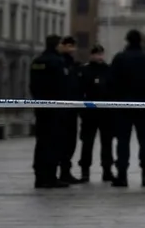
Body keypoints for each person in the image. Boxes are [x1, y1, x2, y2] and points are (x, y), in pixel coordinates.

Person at [108, 29, 145, 188]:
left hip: (123, 106)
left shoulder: (120, 58)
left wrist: (115, 101)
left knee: (122, 142)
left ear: (127, 41)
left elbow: (111, 82)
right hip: (144, 105)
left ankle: (122, 176)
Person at [29, 34, 71, 189]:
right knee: (54, 142)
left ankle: (39, 176)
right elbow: (63, 86)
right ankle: (51, 176)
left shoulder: (37, 61)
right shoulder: (58, 62)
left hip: (41, 107)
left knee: (41, 142)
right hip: (56, 109)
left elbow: (33, 85)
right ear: (56, 45)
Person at [78, 44, 115, 183]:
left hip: (106, 113)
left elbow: (113, 90)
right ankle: (85, 171)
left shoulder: (108, 70)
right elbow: (80, 90)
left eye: (101, 54)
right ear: (91, 55)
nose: (99, 57)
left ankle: (107, 170)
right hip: (89, 113)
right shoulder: (85, 70)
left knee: (107, 143)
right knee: (87, 142)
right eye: (96, 54)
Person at [57, 36, 84, 184]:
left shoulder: (74, 65)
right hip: (61, 110)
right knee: (61, 141)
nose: (71, 49)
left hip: (72, 109)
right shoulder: (59, 63)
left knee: (70, 142)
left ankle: (66, 171)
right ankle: (60, 171)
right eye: (68, 46)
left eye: (73, 46)